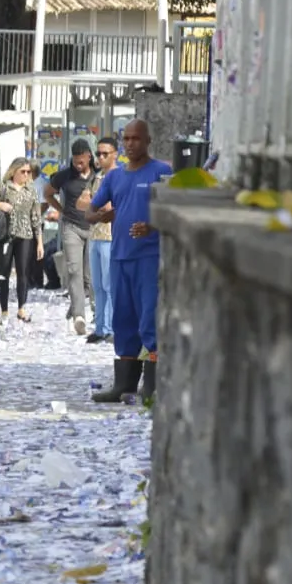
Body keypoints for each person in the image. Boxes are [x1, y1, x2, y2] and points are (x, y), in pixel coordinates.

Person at [86, 120, 170, 402]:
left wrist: (152, 225)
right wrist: (100, 216)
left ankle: (154, 385)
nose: (131, 143)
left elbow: (172, 212)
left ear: (148, 140)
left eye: (137, 138)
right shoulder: (114, 177)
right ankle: (124, 384)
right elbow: (90, 210)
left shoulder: (162, 172)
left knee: (149, 318)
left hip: (149, 257)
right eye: (127, 139)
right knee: (123, 318)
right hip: (119, 256)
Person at [45, 139, 97, 335]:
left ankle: (81, 310)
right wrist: (62, 210)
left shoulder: (98, 176)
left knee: (89, 277)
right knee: (74, 271)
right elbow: (47, 193)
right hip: (72, 228)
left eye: (81, 162)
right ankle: (79, 316)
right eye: (75, 161)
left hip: (93, 228)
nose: (78, 165)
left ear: (88, 157)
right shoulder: (65, 176)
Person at [0, 157, 44, 322]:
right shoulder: (2, 187)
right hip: (5, 236)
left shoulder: (31, 190)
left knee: (23, 272)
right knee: (3, 272)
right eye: (22, 171)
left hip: (25, 235)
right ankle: (4, 310)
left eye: (28, 172)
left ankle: (21, 308)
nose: (26, 175)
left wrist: (39, 242)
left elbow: (36, 217)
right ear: (14, 172)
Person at [77, 137, 118, 344]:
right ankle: (100, 327)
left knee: (110, 284)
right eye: (98, 154)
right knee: (97, 285)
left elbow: (112, 207)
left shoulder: (119, 176)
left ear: (115, 155)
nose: (100, 158)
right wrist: (97, 205)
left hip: (111, 236)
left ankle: (111, 327)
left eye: (105, 154)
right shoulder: (96, 178)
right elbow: (80, 203)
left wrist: (95, 205)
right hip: (95, 235)